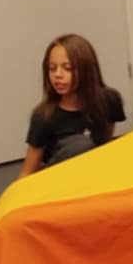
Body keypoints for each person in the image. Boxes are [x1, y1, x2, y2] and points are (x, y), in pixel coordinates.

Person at [20, 33, 125, 174]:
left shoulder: (110, 99)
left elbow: (105, 143)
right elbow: (27, 172)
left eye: (68, 68)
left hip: (95, 172)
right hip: (60, 177)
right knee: (79, 145)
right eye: (52, 68)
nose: (57, 75)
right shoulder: (43, 116)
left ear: (87, 70)